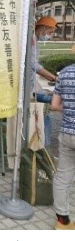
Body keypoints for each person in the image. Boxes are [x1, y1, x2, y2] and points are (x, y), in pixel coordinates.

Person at [50, 63, 75, 230]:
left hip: (67, 134)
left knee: (63, 177)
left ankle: (63, 221)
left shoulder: (65, 73)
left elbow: (54, 105)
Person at [33, 16, 57, 85]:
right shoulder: (31, 40)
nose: (50, 36)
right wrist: (53, 77)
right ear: (43, 28)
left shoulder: (35, 40)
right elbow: (33, 64)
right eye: (50, 32)